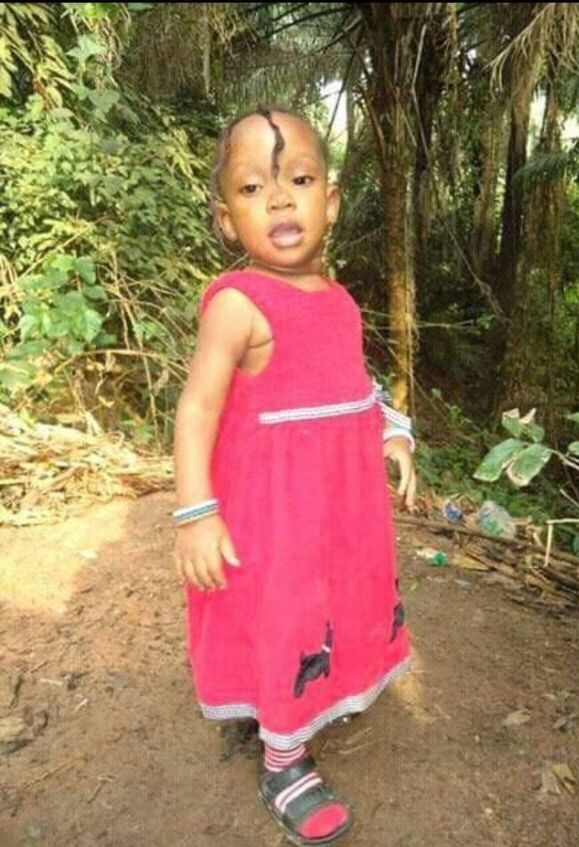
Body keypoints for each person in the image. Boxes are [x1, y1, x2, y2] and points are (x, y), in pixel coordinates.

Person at [173, 106, 417, 846]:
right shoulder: (238, 304)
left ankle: (316, 694)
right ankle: (283, 759)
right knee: (284, 617)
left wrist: (392, 430)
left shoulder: (339, 299)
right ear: (226, 219)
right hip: (273, 520)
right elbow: (196, 407)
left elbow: (354, 385)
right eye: (253, 188)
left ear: (331, 201)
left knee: (335, 604)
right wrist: (195, 512)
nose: (279, 198)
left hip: (338, 511)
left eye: (300, 180)